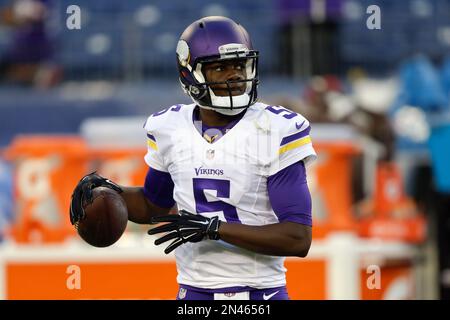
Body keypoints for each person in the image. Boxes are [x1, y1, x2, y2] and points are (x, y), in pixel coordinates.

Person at [69, 16, 316, 301]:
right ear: (190, 73)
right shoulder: (169, 127)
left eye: (239, 65)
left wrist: (214, 229)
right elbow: (154, 205)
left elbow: (298, 237)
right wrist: (110, 190)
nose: (234, 75)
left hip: (260, 294)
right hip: (193, 293)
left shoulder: (276, 129)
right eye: (220, 67)